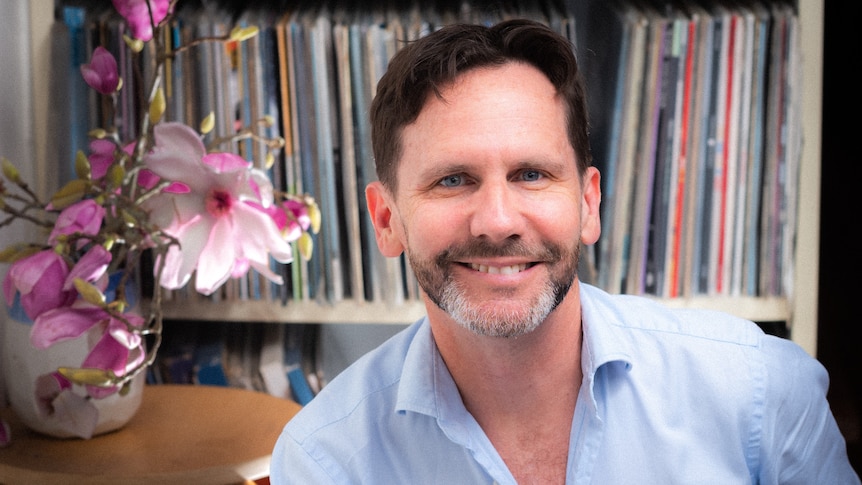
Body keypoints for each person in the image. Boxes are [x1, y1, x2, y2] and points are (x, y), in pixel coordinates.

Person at [271, 19, 859, 484]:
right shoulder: (326, 463)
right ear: (386, 219)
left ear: (588, 204)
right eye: (452, 179)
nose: (497, 221)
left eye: (531, 174)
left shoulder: (761, 394)